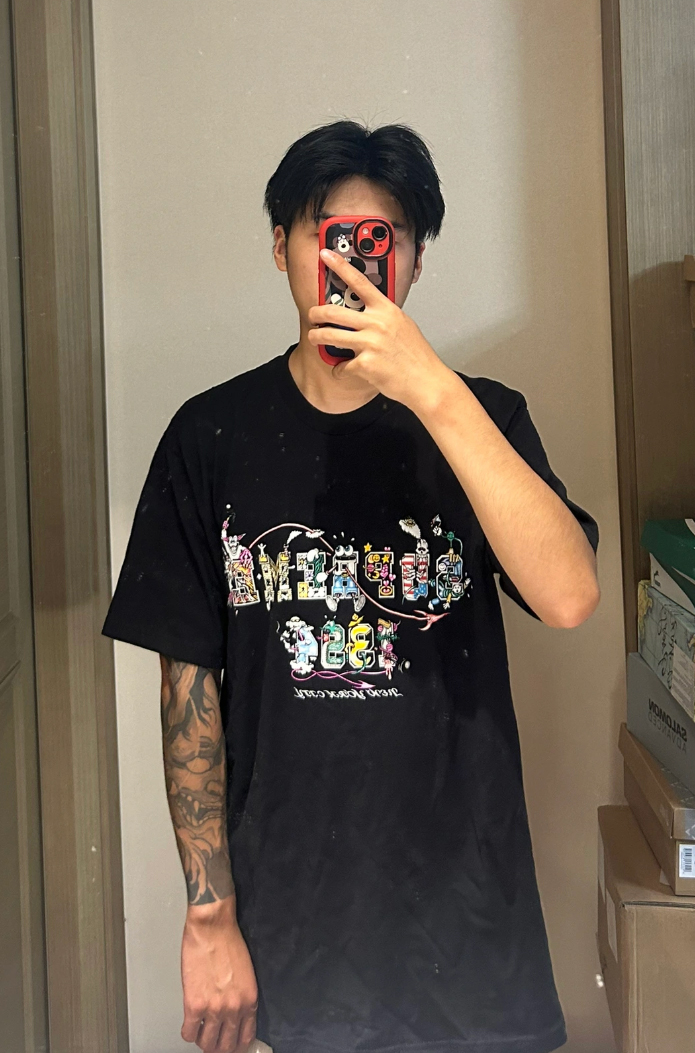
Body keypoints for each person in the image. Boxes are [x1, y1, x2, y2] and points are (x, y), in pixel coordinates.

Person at [102, 119, 600, 1053]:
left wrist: (433, 391)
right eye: (328, 235)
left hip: (468, 920)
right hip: (297, 919)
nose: (354, 262)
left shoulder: (482, 417)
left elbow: (569, 597)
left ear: (415, 260)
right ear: (282, 247)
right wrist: (209, 920)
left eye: (383, 239)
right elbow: (188, 693)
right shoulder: (210, 438)